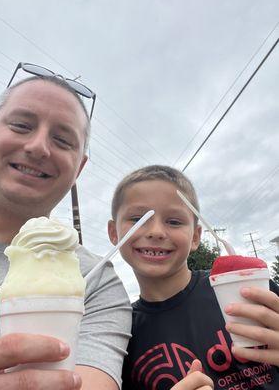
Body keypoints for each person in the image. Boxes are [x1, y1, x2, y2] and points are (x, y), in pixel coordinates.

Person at [0, 73, 132, 390]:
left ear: (78, 168)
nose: (38, 147)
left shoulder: (96, 282)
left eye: (62, 141)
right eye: (22, 125)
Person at [108, 164, 279, 390]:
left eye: (174, 221)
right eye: (138, 219)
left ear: (196, 237)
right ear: (113, 233)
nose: (156, 231)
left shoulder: (245, 288)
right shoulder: (117, 333)